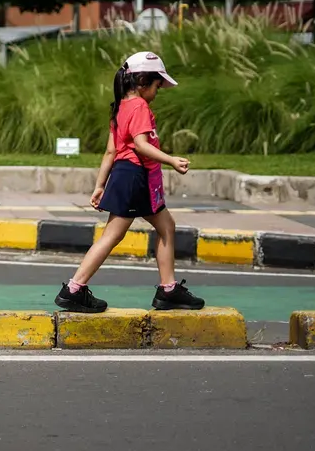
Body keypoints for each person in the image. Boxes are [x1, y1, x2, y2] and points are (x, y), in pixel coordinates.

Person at [54, 52, 206, 313]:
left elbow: (111, 152)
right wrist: (171, 160)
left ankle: (168, 289)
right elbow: (140, 145)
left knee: (166, 225)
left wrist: (100, 185)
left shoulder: (120, 107)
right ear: (143, 81)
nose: (158, 91)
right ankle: (74, 289)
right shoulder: (139, 107)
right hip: (135, 176)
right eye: (158, 86)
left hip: (127, 175)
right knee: (113, 235)